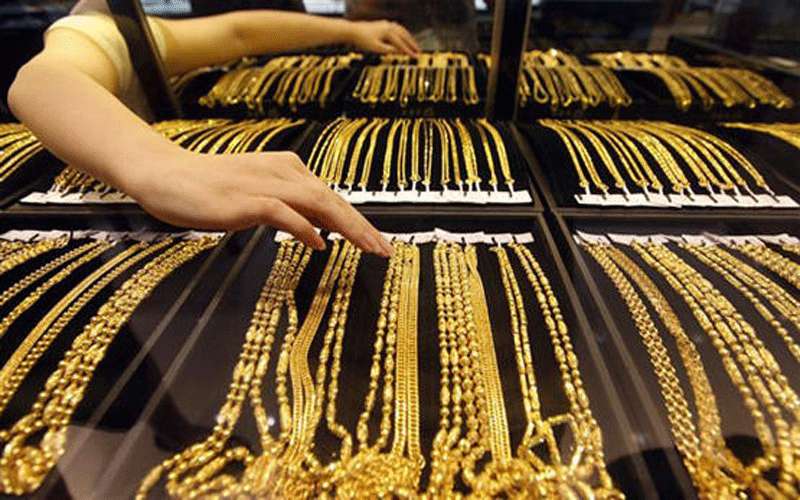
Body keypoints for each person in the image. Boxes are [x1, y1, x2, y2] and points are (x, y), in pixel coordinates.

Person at [8, 0, 421, 256]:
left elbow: (237, 33)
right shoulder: (96, 26)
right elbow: (42, 81)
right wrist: (164, 167)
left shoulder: (137, 27)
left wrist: (352, 31)